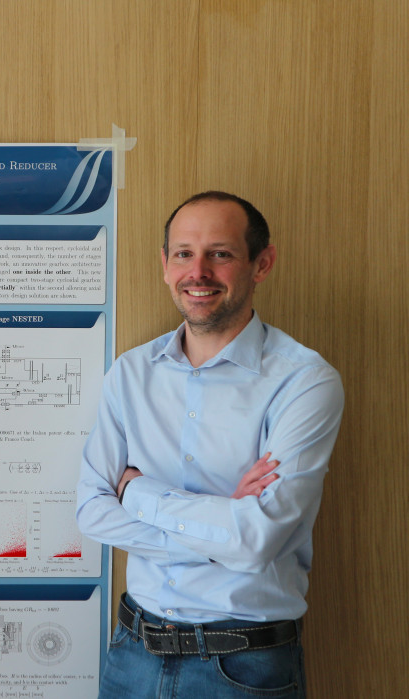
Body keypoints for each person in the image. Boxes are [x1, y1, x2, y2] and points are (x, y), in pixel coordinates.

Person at [76, 191, 344, 698]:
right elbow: (91, 512)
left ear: (261, 263)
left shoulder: (304, 382)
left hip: (244, 667)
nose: (197, 272)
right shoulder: (130, 373)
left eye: (220, 253)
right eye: (184, 253)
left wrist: (136, 494)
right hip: (132, 654)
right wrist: (223, 532)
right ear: (165, 264)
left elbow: (258, 539)